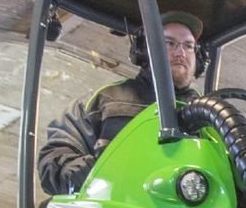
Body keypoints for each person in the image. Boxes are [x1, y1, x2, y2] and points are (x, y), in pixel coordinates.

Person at [37, 10, 203, 194]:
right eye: (170, 43)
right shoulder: (104, 101)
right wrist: (84, 169)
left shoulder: (210, 118)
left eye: (189, 46)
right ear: (144, 49)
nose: (181, 52)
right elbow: (55, 158)